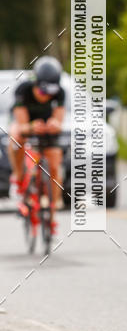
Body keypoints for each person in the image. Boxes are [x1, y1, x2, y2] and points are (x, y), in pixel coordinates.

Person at [8, 56, 66, 216]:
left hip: (46, 128)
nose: (46, 96)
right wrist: (31, 127)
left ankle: (53, 207)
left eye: (50, 93)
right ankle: (19, 175)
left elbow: (59, 118)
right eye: (42, 91)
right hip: (27, 123)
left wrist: (55, 124)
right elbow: (22, 123)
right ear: (35, 84)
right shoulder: (23, 90)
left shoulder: (60, 93)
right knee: (16, 136)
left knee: (55, 161)